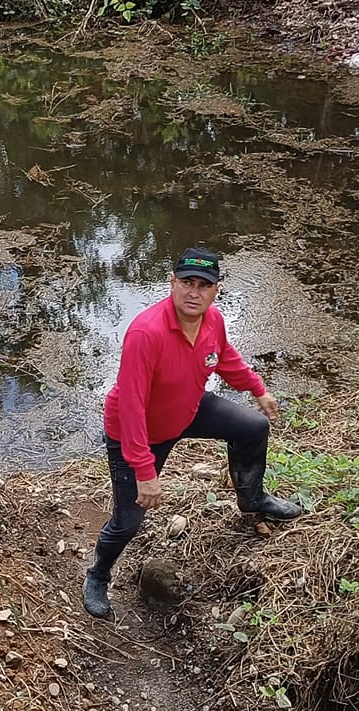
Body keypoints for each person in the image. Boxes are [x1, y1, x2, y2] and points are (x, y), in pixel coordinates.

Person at [84, 247, 304, 619]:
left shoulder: (212, 320)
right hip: (137, 431)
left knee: (253, 427)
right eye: (187, 282)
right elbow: (131, 406)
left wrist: (257, 389)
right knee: (129, 522)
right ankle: (98, 575)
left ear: (216, 290)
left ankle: (253, 499)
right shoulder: (146, 333)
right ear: (172, 283)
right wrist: (144, 471)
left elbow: (225, 358)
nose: (194, 292)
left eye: (204, 285)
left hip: (186, 409)